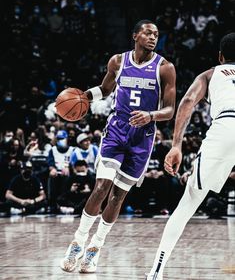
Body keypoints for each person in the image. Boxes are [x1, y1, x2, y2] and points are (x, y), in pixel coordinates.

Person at [60, 19, 176, 273]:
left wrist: (151, 115)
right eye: (148, 32)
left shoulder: (165, 68)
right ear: (135, 35)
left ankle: (95, 249)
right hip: (116, 131)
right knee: (101, 186)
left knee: (118, 196)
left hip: (142, 137)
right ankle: (78, 242)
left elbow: (170, 109)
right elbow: (105, 88)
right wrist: (83, 97)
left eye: (156, 34)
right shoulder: (118, 61)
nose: (153, 37)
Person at [146, 32, 235, 280]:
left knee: (188, 204)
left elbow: (186, 102)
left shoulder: (210, 74)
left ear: (220, 57)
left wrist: (176, 145)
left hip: (226, 126)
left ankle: (156, 271)